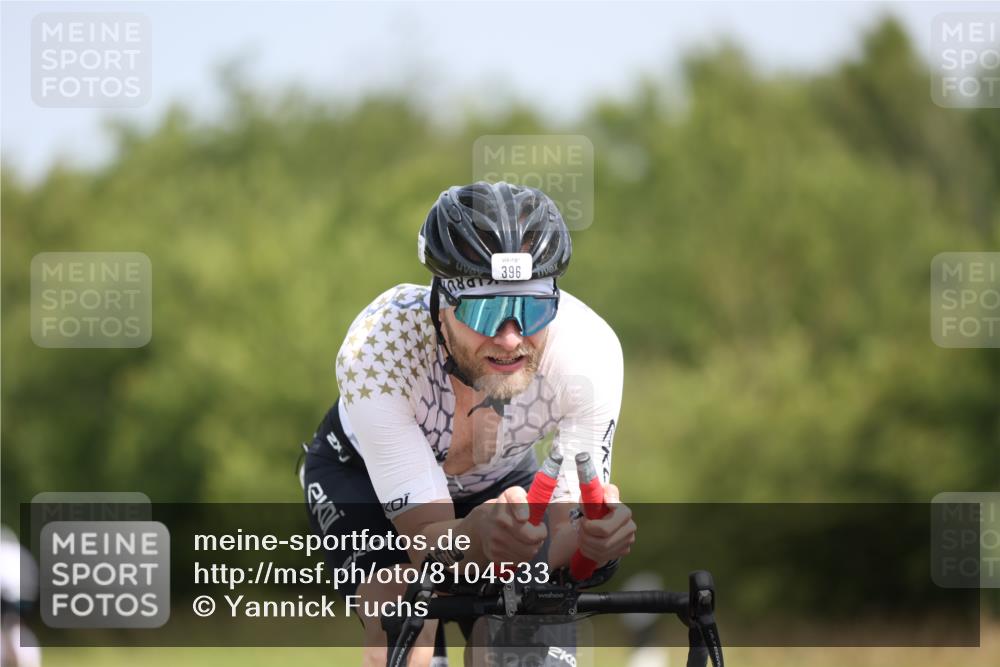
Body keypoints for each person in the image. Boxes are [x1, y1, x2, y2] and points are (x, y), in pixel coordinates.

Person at [301, 181, 635, 666]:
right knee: (402, 616)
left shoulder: (588, 351)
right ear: (442, 302)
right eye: (487, 309)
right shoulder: (379, 349)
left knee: (526, 625)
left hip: (500, 482)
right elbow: (425, 546)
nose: (509, 337)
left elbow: (568, 535)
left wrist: (593, 544)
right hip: (362, 483)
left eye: (532, 307)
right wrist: (476, 539)